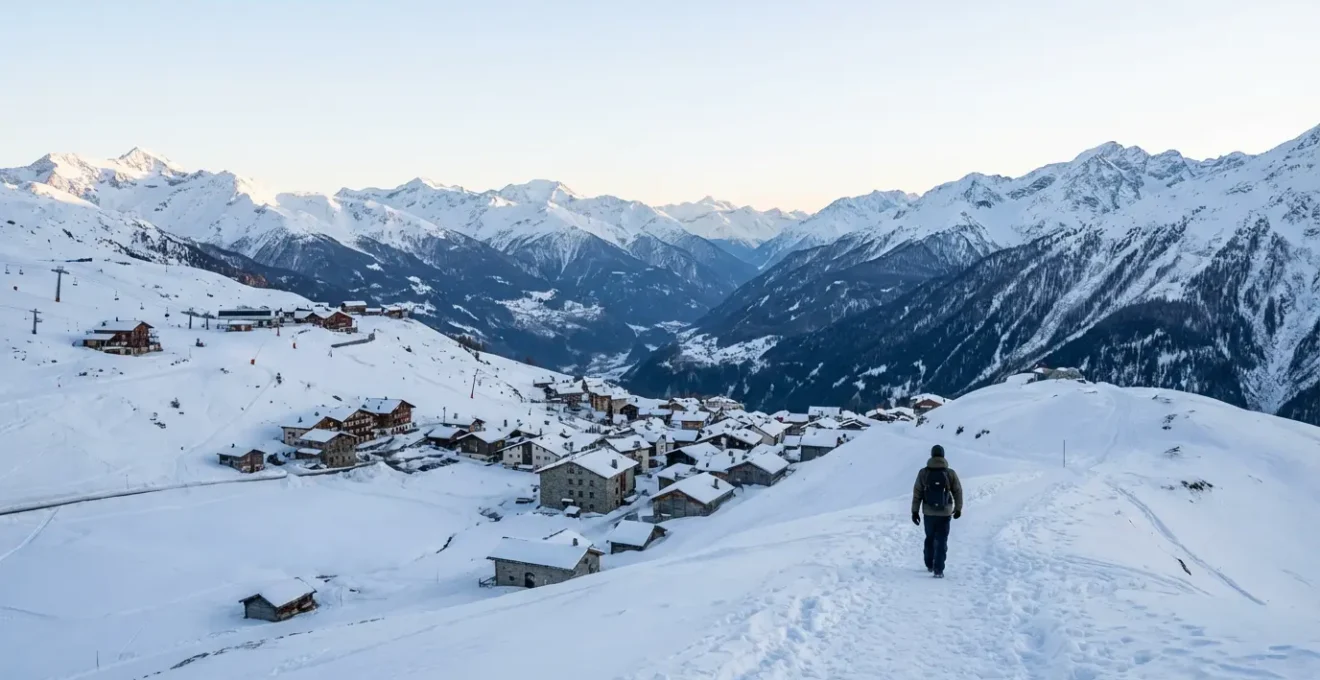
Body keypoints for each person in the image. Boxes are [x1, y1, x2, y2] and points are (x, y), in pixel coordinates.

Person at [911, 444, 963, 578]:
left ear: (932, 455)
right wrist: (958, 508)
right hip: (945, 513)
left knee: (930, 538)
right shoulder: (950, 473)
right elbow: (957, 491)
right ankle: (938, 570)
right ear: (943, 455)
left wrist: (915, 512)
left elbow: (917, 493)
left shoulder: (924, 472)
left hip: (928, 512)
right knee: (942, 540)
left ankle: (929, 564)